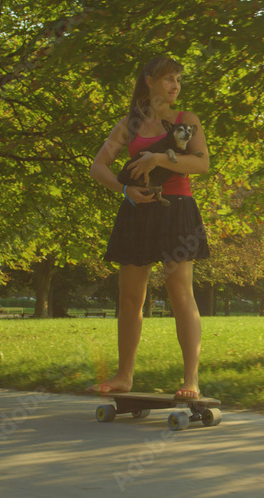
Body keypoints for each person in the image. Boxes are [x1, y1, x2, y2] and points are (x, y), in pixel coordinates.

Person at [87, 56, 211, 399]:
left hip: (177, 210)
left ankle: (191, 380)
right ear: (149, 81)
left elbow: (202, 163)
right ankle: (124, 376)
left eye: (178, 80)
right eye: (169, 79)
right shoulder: (129, 125)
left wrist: (159, 158)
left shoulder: (187, 121)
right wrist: (124, 190)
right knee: (129, 298)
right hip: (138, 211)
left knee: (180, 294)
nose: (175, 86)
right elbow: (98, 167)